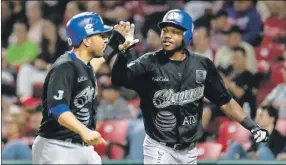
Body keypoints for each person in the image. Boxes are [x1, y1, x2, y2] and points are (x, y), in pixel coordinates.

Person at [111, 9, 269, 164]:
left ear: (187, 35)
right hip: (159, 147)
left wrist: (252, 126)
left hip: (189, 151)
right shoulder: (149, 62)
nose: (167, 35)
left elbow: (225, 101)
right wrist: (123, 53)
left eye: (174, 31)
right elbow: (119, 79)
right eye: (164, 30)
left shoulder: (202, 65)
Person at [32, 12, 134, 164]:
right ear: (86, 40)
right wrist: (84, 130)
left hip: (83, 146)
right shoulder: (64, 66)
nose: (105, 39)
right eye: (101, 35)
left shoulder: (84, 65)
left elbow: (98, 61)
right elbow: (57, 108)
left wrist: (117, 43)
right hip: (56, 147)